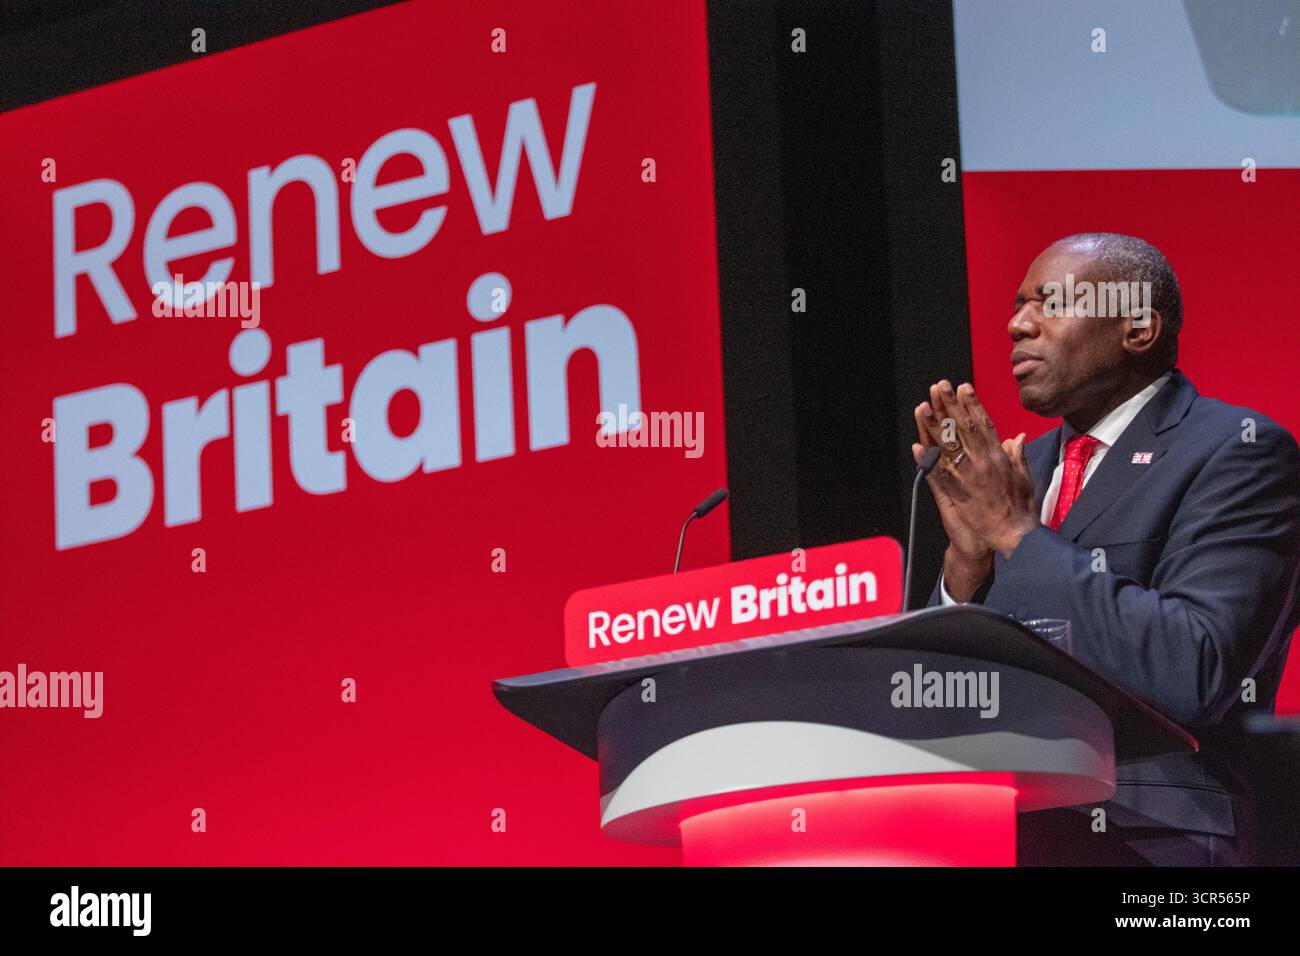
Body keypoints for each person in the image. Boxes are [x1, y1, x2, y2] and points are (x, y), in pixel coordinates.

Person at [913, 233, 1300, 865]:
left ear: (1139, 328)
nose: (1016, 324)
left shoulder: (1238, 451)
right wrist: (965, 569)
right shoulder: (1019, 469)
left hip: (1158, 842)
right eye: (1016, 305)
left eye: (1050, 302)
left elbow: (1195, 668)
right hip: (995, 831)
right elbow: (941, 692)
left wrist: (1017, 535)